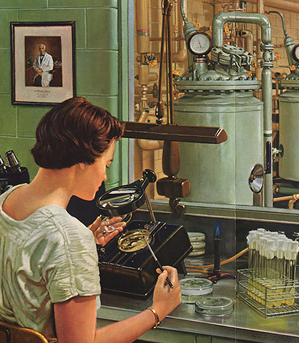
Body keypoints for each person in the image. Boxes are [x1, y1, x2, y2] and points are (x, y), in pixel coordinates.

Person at [0, 97, 181, 342]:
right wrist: (158, 310)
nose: (105, 174)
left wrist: (87, 244)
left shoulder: (6, 200)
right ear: (83, 162)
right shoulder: (68, 238)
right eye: (106, 163)